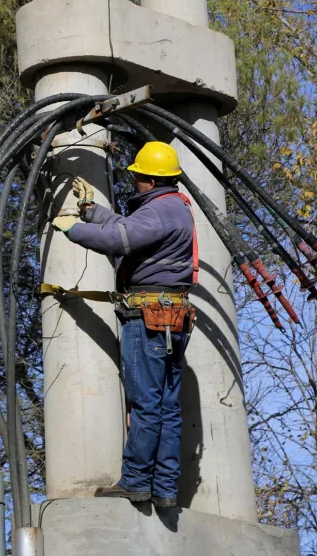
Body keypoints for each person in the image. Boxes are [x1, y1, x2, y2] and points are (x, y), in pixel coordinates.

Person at [51, 141, 196, 509]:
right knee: (166, 405)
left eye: (137, 178)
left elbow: (118, 239)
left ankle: (134, 480)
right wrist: (91, 212)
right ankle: (163, 487)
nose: (134, 183)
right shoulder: (173, 208)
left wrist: (72, 229)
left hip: (146, 318)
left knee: (145, 402)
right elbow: (130, 228)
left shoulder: (160, 212)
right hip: (170, 317)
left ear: (148, 179)